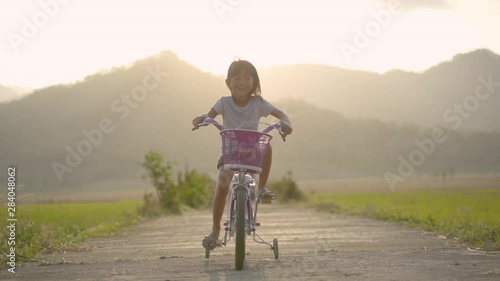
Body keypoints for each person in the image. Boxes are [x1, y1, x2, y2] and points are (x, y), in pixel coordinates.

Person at [192, 59, 293, 248]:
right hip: (230, 152)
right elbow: (209, 116)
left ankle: (262, 187)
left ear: (254, 82)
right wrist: (201, 118)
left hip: (252, 152)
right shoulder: (223, 102)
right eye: (236, 78)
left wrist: (286, 123)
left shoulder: (259, 103)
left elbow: (281, 115)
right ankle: (215, 229)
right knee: (222, 186)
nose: (242, 82)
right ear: (228, 82)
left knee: (267, 145)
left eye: (247, 78)